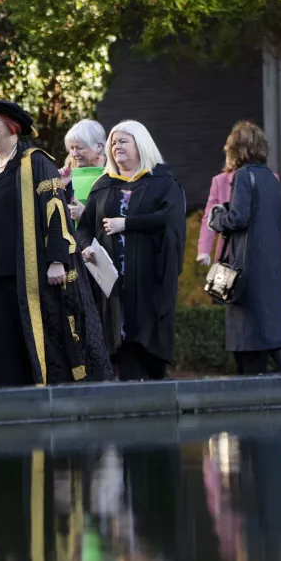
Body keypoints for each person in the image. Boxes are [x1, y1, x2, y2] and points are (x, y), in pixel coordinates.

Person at [0, 100, 112, 387]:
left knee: (30, 339)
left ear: (13, 126)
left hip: (24, 271)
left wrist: (56, 260)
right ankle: (2, 401)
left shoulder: (36, 162)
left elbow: (55, 210)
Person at [78, 120, 186, 381]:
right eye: (113, 142)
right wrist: (85, 249)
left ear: (141, 145)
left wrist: (127, 223)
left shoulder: (162, 182)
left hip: (149, 281)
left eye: (123, 141)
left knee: (147, 354)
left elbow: (170, 219)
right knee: (118, 346)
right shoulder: (103, 185)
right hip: (113, 286)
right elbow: (84, 229)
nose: (116, 146)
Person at [207, 121, 281, 375]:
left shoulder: (244, 175)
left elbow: (239, 218)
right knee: (272, 340)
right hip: (269, 267)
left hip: (246, 269)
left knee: (246, 342)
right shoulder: (270, 177)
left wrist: (217, 218)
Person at [61, 118, 108, 222]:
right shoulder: (70, 170)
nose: (74, 154)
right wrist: (61, 187)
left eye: (80, 148)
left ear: (98, 147)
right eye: (72, 148)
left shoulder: (114, 172)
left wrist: (85, 215)